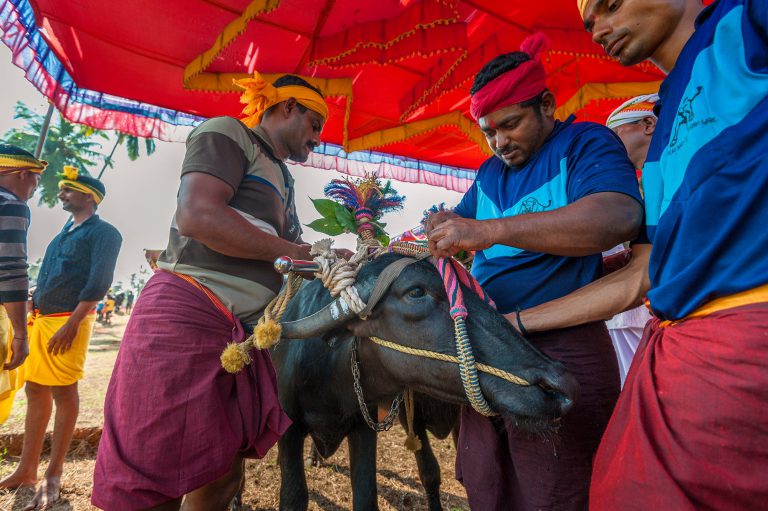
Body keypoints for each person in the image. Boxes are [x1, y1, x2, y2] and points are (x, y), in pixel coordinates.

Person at [522, 0, 768, 508]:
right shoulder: (661, 136)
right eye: (589, 24)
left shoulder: (743, 24)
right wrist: (515, 323)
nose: (599, 30)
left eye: (611, 6)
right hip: (675, 352)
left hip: (749, 340)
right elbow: (644, 275)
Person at [425, 33, 643, 510]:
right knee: (488, 483)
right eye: (488, 131)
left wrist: (492, 230)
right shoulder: (487, 175)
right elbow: (462, 232)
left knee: (558, 490)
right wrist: (442, 231)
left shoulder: (584, 144)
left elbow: (615, 218)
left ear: (546, 104)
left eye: (510, 124)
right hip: (489, 347)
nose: (499, 142)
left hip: (563, 350)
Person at [92, 72, 328, 510]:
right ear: (287, 107)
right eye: (315, 124)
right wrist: (295, 254)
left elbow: (284, 253)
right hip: (188, 311)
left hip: (244, 333)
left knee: (222, 473)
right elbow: (198, 215)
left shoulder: (283, 179)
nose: (317, 138)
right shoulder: (228, 132)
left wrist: (331, 262)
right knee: (150, 478)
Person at [0, 165, 121, 508]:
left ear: (89, 197)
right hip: (40, 319)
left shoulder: (105, 233)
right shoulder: (63, 234)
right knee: (35, 389)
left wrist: (72, 325)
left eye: (68, 189)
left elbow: (98, 284)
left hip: (69, 322)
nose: (61, 193)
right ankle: (26, 469)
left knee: (64, 391)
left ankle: (53, 473)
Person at [603, 94, 657, 386]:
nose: (608, 149)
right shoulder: (647, 179)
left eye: (615, 137)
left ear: (648, 124)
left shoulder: (667, 172)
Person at [0, 144, 46, 424]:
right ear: (21, 173)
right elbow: (11, 270)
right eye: (35, 179)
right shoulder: (11, 205)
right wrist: (20, 334)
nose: (34, 188)